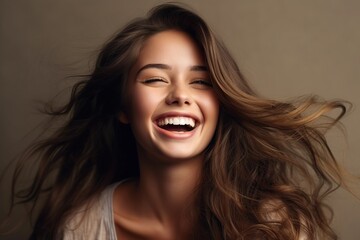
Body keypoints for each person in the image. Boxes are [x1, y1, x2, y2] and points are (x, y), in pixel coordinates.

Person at [5, 3, 353, 240]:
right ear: (123, 106)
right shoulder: (81, 228)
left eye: (201, 81)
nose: (179, 95)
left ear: (221, 103)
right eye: (155, 79)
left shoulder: (276, 225)